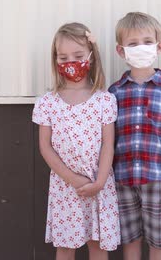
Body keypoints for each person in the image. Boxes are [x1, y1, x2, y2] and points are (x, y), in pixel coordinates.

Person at [33, 22, 120, 259]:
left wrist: (99, 181)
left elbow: (108, 144)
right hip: (65, 187)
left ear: (91, 57)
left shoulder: (104, 100)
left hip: (99, 184)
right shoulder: (47, 103)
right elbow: (45, 147)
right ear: (56, 60)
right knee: (65, 247)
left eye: (78, 55)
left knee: (97, 245)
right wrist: (73, 179)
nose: (70, 62)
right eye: (63, 57)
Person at [108, 12, 161, 260]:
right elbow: (108, 140)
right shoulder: (114, 92)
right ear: (121, 51)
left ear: (159, 46)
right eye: (132, 44)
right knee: (130, 240)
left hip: (157, 181)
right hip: (122, 181)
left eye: (147, 41)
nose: (140, 48)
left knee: (158, 241)